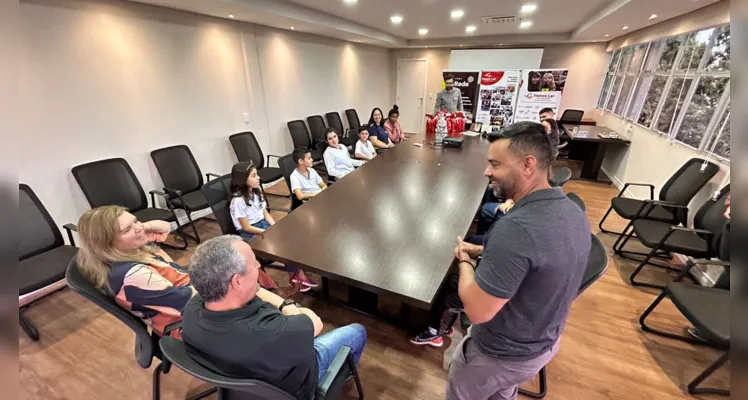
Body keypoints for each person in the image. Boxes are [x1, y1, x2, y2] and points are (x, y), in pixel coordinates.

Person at [410, 122, 591, 400]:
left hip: (498, 354)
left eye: (495, 164)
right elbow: (537, 258)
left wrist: (465, 260)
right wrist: (485, 250)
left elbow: (477, 310)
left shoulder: (516, 229)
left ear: (528, 165)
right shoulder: (572, 210)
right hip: (541, 345)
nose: (487, 171)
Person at [181, 235, 367, 400]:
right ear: (237, 281)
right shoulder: (271, 332)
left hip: (247, 374)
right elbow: (315, 322)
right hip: (298, 382)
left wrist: (255, 287)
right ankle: (339, 376)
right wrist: (287, 305)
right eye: (254, 264)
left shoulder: (191, 311)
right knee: (357, 331)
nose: (259, 266)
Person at [76, 205, 194, 338]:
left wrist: (142, 227)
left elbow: (165, 227)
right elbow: (191, 300)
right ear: (107, 243)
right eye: (126, 230)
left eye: (136, 221)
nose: (139, 228)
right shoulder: (133, 276)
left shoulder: (133, 247)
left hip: (191, 297)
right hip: (189, 324)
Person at [229, 161, 317, 291]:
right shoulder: (238, 201)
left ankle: (295, 275)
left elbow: (264, 212)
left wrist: (275, 226)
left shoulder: (256, 191)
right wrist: (266, 232)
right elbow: (246, 227)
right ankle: (298, 275)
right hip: (250, 232)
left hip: (262, 224)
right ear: (242, 180)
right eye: (253, 176)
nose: (258, 177)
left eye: (257, 174)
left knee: (292, 236)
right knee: (284, 244)